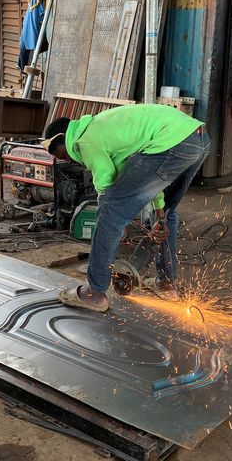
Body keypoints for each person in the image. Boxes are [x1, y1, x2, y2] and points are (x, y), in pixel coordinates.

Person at [42, 104, 209, 312]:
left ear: (63, 138)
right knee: (166, 213)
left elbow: (105, 189)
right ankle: (166, 284)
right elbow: (152, 179)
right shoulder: (104, 128)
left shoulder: (84, 139)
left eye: (59, 154)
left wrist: (114, 225)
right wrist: (158, 212)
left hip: (171, 143)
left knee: (109, 210)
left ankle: (95, 293)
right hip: (197, 139)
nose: (63, 159)